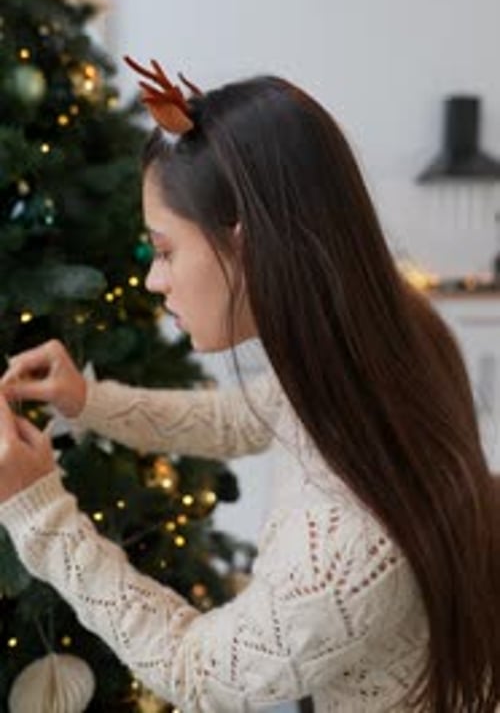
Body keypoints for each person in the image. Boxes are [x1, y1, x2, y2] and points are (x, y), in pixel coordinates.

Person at [0, 58, 499, 713]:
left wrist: (40, 514)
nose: (154, 280)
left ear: (248, 243)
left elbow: (197, 671)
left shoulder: (346, 545)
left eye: (165, 250)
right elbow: (246, 416)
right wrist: (89, 402)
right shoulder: (388, 342)